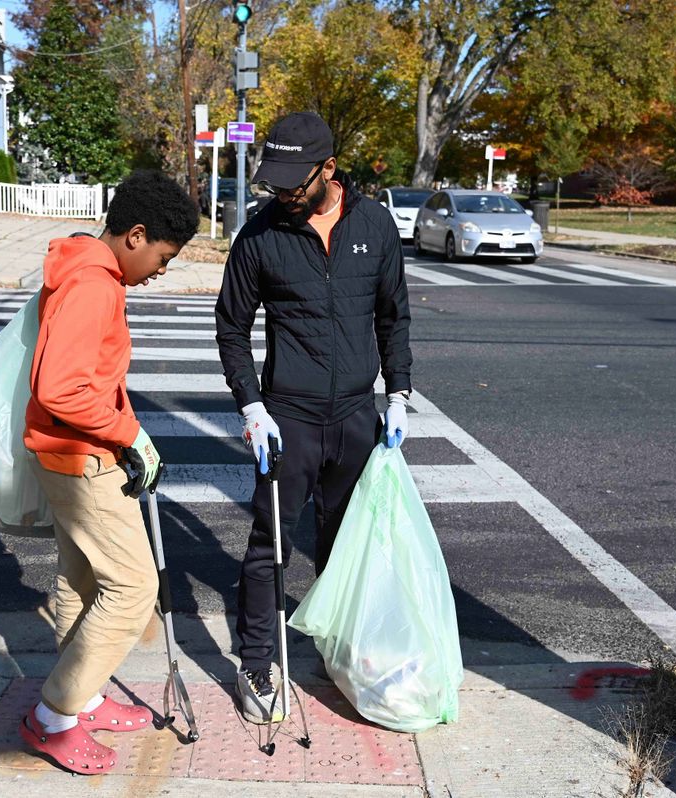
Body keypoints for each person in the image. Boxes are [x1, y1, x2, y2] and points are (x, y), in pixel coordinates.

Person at [215, 112, 413, 724]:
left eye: (291, 184)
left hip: (357, 414)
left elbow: (394, 317)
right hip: (289, 417)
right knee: (269, 543)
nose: (281, 194)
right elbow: (231, 327)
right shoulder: (261, 234)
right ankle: (257, 661)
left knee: (347, 544)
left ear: (328, 169)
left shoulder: (375, 225)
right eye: (273, 183)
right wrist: (251, 405)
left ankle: (340, 650)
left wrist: (399, 394)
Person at [21, 170, 199, 773]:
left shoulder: (85, 270)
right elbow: (60, 387)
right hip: (80, 459)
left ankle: (82, 701)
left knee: (82, 580)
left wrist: (122, 425)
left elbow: (83, 378)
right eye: (164, 258)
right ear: (137, 235)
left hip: (66, 452)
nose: (162, 271)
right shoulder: (95, 285)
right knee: (130, 589)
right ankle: (53, 717)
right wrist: (129, 434)